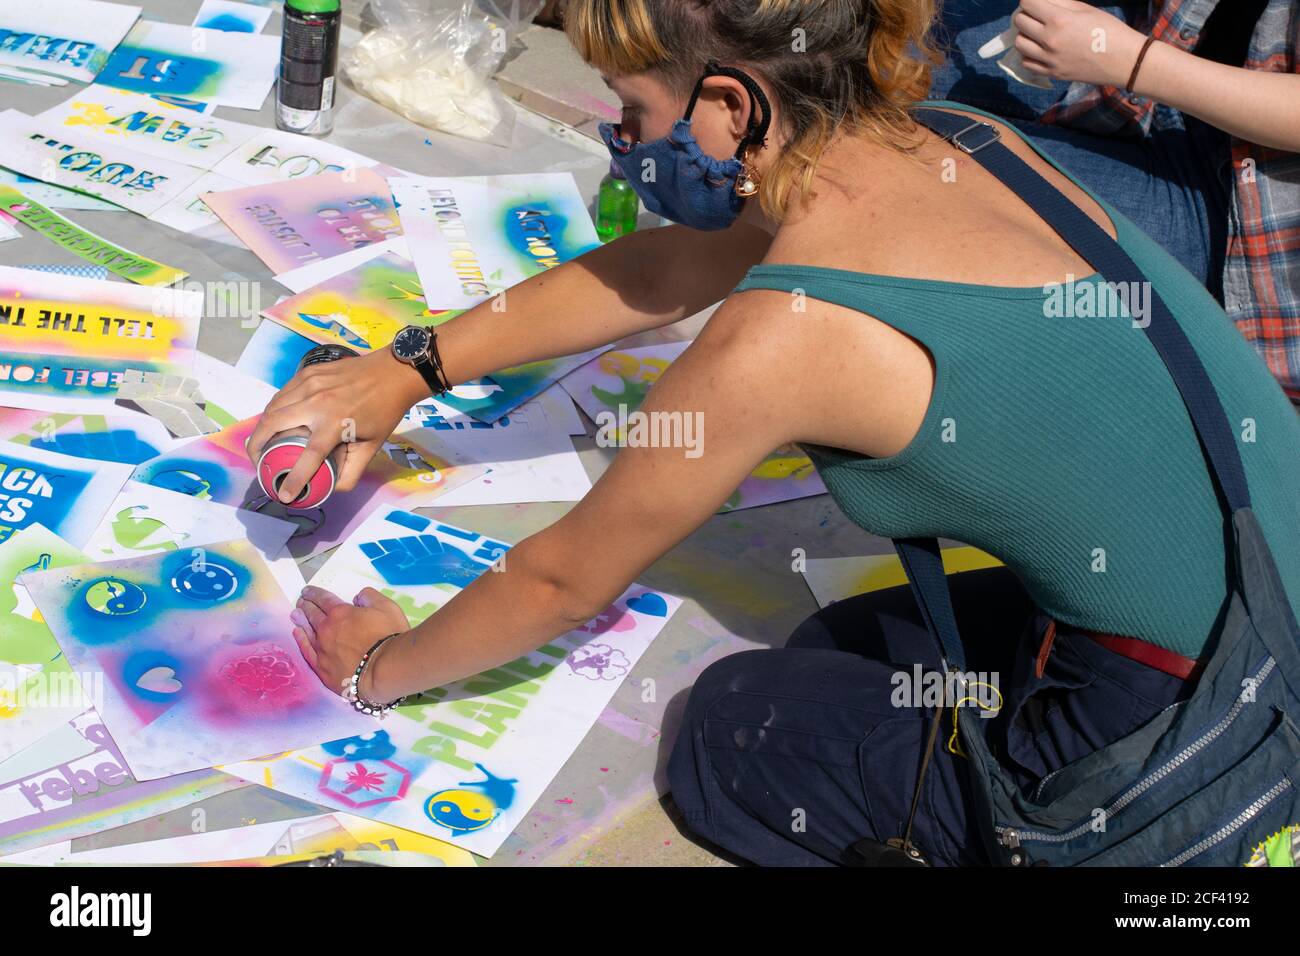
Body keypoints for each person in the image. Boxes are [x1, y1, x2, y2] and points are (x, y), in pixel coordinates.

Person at [247, 0, 1300, 866]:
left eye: (630, 111)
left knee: (730, 730)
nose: (623, 143)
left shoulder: (784, 337)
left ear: (729, 104)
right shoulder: (953, 138)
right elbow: (662, 272)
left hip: (1227, 711)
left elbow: (560, 580)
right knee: (835, 652)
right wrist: (403, 369)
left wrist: (375, 665)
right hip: (1263, 577)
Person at [929, 0, 1300, 400]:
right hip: (1158, 37)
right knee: (884, 46)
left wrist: (1130, 62)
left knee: (926, 175)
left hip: (1242, 220)